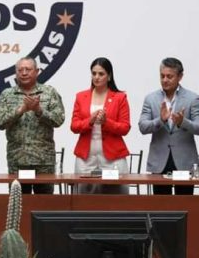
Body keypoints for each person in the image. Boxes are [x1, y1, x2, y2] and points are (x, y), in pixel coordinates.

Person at [0, 56, 65, 194]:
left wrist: (38, 110)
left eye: (28, 69)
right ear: (16, 73)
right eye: (20, 70)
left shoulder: (49, 92)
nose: (24, 73)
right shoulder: (7, 94)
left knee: (45, 207)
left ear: (37, 71)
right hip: (17, 160)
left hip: (44, 161)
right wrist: (20, 110)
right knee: (18, 205)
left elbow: (58, 120)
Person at [139, 57, 199, 195]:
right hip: (159, 162)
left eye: (169, 76)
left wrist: (182, 122)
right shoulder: (151, 98)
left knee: (184, 207)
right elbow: (143, 126)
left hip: (184, 161)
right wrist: (161, 120)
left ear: (180, 76)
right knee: (161, 209)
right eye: (162, 76)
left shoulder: (192, 98)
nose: (165, 80)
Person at [70, 57, 131, 194]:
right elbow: (74, 126)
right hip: (86, 156)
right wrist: (89, 121)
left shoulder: (120, 97)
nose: (96, 77)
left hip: (113, 155)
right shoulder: (81, 96)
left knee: (116, 197)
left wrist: (106, 122)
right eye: (94, 73)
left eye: (101, 74)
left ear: (109, 76)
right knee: (82, 197)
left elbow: (125, 128)